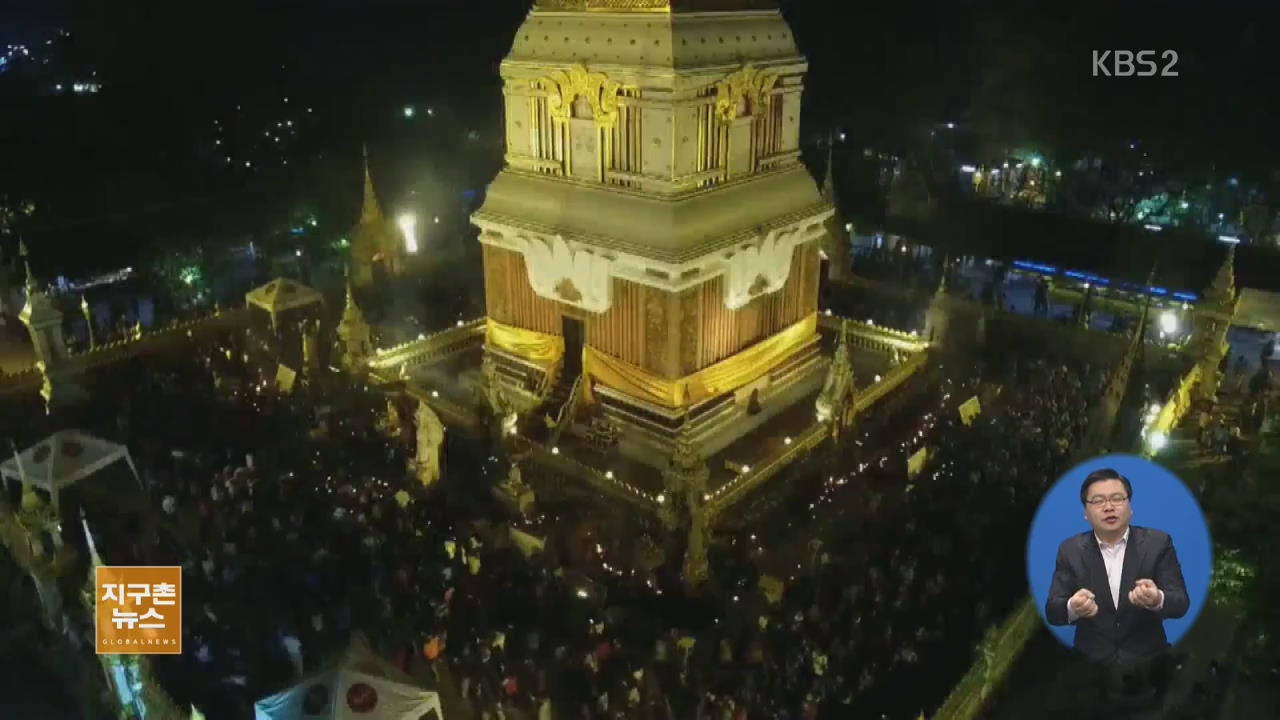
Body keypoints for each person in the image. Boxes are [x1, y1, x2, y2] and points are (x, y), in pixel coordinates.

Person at [1045, 468, 1190, 664]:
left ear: (1130, 506)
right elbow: (1053, 612)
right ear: (1085, 513)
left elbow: (1180, 603)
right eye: (1098, 501)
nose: (1108, 507)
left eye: (1117, 498)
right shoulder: (1069, 550)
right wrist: (1073, 607)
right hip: (1090, 666)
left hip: (1148, 662)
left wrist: (1157, 599)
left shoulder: (1158, 543)